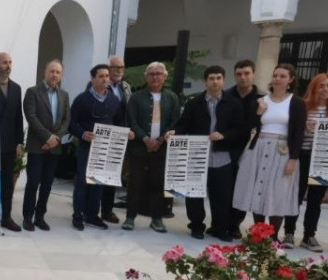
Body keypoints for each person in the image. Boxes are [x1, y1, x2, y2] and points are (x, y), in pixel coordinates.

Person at [168, 65, 243, 241]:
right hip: (197, 156)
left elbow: (240, 129)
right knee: (194, 194)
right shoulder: (194, 103)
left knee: (222, 195)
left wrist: (224, 135)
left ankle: (220, 228)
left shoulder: (234, 103)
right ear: (205, 81)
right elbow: (183, 124)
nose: (215, 82)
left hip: (222, 157)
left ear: (223, 80)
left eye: (218, 78)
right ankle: (196, 226)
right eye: (211, 78)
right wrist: (174, 132)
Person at [232, 63, 307, 239]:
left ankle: (272, 236)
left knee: (278, 191)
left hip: (282, 150)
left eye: (282, 76)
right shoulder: (261, 100)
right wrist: (258, 112)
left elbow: (298, 132)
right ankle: (258, 233)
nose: (278, 79)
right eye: (275, 75)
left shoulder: (296, 102)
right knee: (257, 188)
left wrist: (293, 158)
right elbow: (248, 126)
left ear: (291, 80)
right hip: (259, 147)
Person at [283, 72, 328, 252]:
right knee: (295, 197)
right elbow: (292, 135)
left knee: (316, 200)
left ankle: (309, 235)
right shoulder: (302, 107)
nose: (325, 89)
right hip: (303, 156)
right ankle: (289, 232)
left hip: (324, 160)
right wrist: (306, 130)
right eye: (321, 86)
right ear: (314, 87)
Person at [123, 62, 180, 232]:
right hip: (139, 147)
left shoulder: (172, 98)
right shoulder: (136, 97)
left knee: (158, 183)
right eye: (151, 74)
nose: (155, 77)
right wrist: (145, 139)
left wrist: (160, 140)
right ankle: (130, 217)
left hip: (161, 148)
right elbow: (131, 120)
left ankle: (157, 218)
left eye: (158, 73)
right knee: (135, 183)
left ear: (164, 77)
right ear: (146, 77)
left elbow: (175, 121)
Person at [68, 63, 121, 230]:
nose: (105, 79)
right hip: (86, 147)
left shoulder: (113, 100)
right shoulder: (81, 99)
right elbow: (71, 124)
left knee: (98, 183)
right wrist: (83, 134)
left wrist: (125, 134)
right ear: (92, 79)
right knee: (82, 182)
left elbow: (119, 123)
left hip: (104, 149)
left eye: (107, 76)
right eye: (101, 76)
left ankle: (92, 215)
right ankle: (77, 215)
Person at [21, 60, 71, 231]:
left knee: (47, 184)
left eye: (58, 72)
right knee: (33, 183)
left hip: (55, 147)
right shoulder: (33, 92)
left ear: (61, 75)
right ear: (45, 72)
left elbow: (66, 119)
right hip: (37, 146)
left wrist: (56, 138)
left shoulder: (64, 95)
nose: (54, 75)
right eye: (52, 71)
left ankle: (40, 216)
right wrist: (47, 137)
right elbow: (31, 116)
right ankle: (28, 217)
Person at [224, 59, 264, 239]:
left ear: (253, 74)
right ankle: (223, 222)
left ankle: (235, 224)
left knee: (243, 187)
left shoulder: (263, 99)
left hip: (251, 148)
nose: (243, 77)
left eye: (247, 73)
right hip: (227, 147)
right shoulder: (226, 96)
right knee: (226, 187)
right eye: (239, 74)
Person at [100, 55, 131, 224]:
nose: (119, 70)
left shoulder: (126, 87)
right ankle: (88, 210)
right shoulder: (98, 84)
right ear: (108, 68)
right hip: (102, 137)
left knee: (112, 176)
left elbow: (128, 112)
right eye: (116, 67)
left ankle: (107, 210)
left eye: (122, 67)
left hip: (119, 139)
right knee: (96, 175)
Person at [0, 52, 24, 232]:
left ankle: (6, 217)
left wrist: (19, 142)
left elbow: (18, 117)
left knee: (7, 184)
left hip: (9, 146)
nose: (8, 66)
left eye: (10, 62)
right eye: (4, 62)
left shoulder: (16, 88)